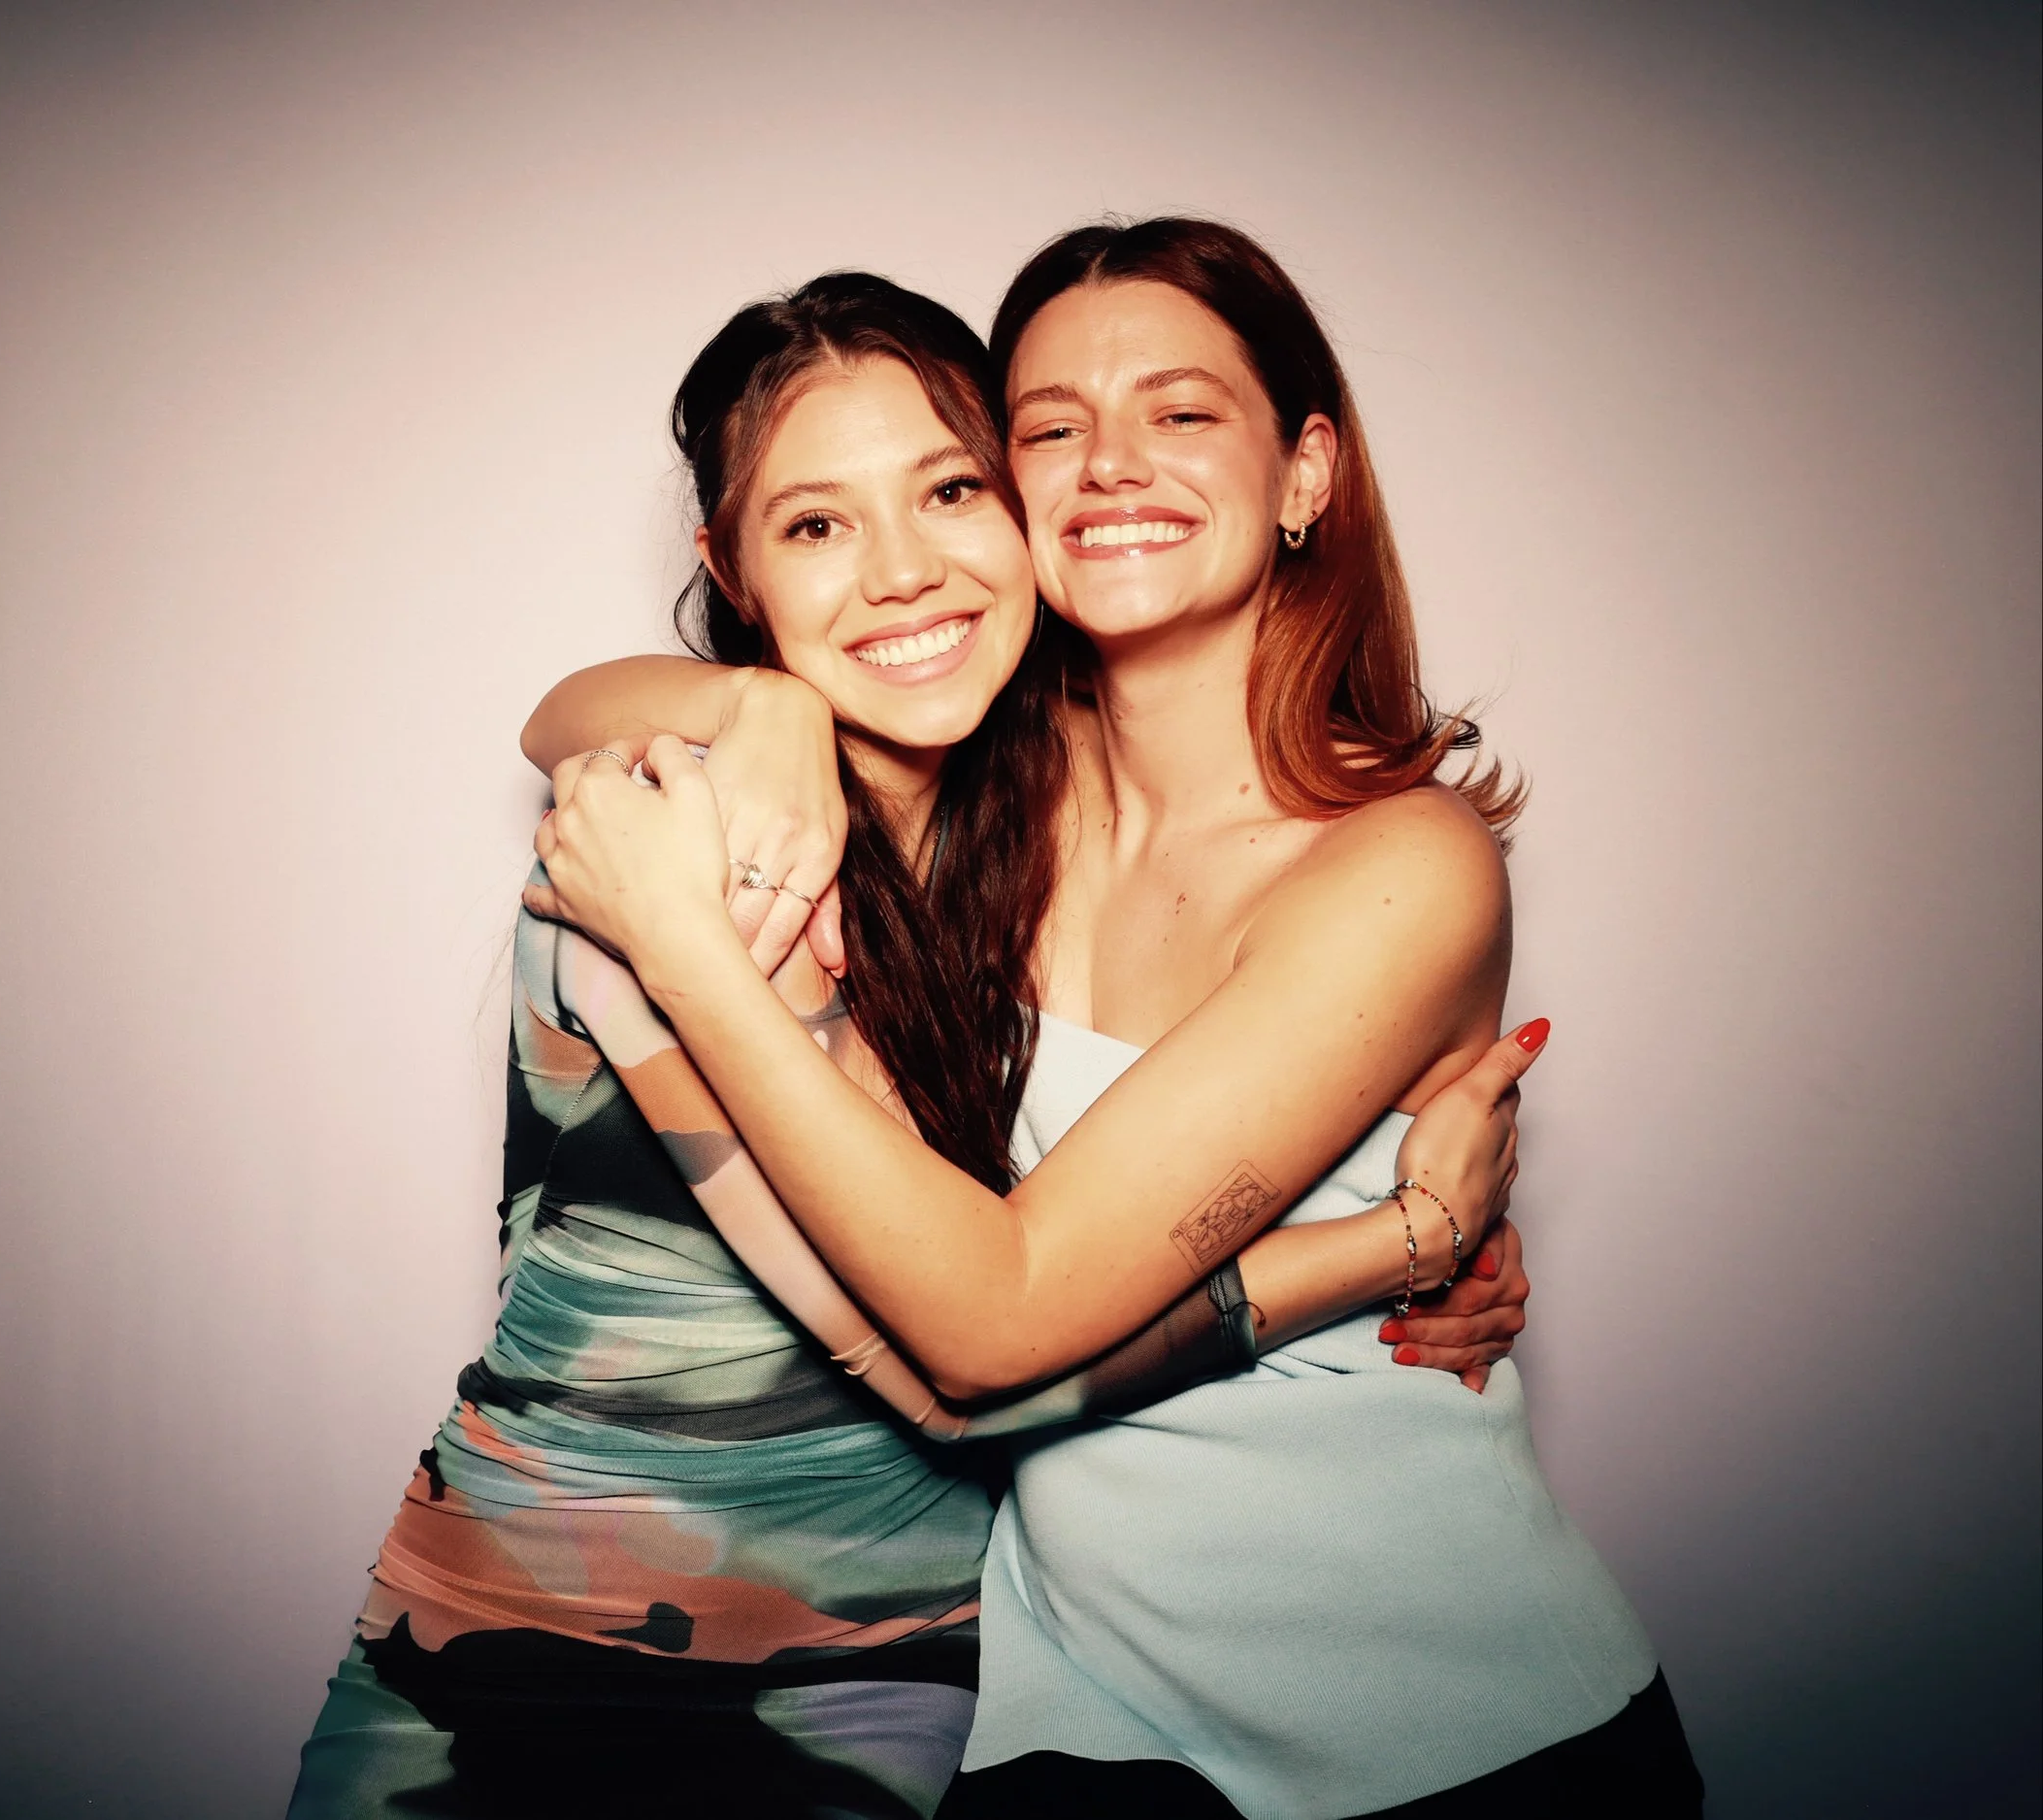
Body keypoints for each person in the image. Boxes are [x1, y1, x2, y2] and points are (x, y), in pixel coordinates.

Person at [288, 272, 1535, 1820]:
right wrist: (1397, 1238)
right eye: (815, 525)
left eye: (950, 489)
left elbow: (1100, 1186)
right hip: (535, 1673)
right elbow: (964, 1382)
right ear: (730, 569)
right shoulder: (669, 860)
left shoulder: (1019, 838)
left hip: (892, 1698)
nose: (900, 571)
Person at [528, 219, 1701, 1818]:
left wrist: (1432, 1244)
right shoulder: (994, 786)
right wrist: (763, 703)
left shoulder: (1400, 866)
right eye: (1051, 429)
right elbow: (566, 716)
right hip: (1072, 1715)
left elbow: (997, 1319)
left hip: (1444, 1718)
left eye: (1181, 412)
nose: (1110, 464)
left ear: (1307, 474)